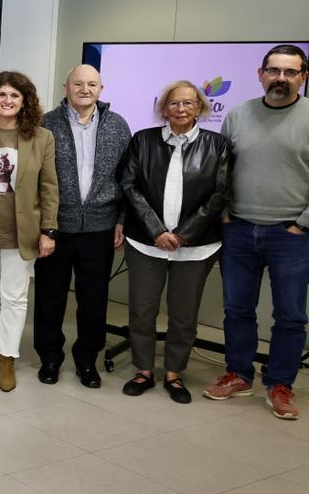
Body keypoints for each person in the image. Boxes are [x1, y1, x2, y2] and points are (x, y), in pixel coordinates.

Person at [204, 44, 309, 420]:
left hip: (291, 234)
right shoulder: (237, 114)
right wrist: (227, 211)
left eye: (290, 72)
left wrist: (303, 223)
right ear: (260, 73)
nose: (281, 78)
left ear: (303, 76)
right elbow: (222, 170)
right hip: (240, 230)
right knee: (236, 309)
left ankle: (280, 384)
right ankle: (238, 374)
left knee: (291, 315)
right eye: (274, 70)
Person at [119, 81, 230, 403]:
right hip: (146, 243)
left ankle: (174, 374)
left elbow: (219, 194)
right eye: (174, 103)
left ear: (200, 108)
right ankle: (143, 370)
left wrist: (184, 234)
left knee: (183, 314)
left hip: (196, 246)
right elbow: (130, 185)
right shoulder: (143, 140)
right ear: (163, 108)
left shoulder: (217, 144)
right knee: (141, 310)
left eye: (188, 103)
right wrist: (156, 230)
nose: (181, 109)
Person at [34, 65, 131, 388]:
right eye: (78, 83)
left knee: (94, 299)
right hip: (56, 228)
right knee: (50, 297)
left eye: (92, 84)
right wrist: (43, 225)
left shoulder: (118, 126)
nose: (85, 89)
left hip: (100, 228)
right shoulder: (46, 123)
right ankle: (50, 357)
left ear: (101, 89)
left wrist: (120, 221)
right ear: (66, 87)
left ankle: (87, 359)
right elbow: (35, 178)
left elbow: (127, 179)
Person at [0, 71, 58, 391]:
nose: (8, 101)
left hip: (23, 232)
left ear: (25, 102)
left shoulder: (42, 138)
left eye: (15, 96)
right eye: (2, 95)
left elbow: (49, 188)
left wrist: (49, 230)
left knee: (15, 297)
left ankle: (7, 358)